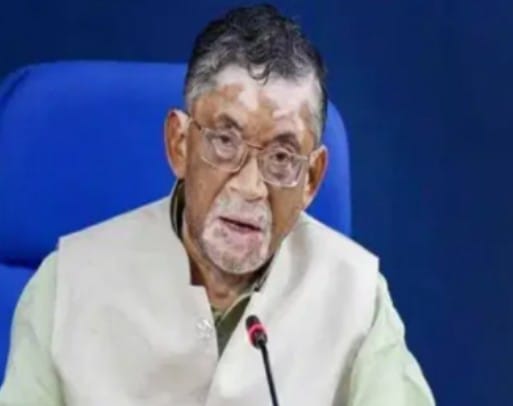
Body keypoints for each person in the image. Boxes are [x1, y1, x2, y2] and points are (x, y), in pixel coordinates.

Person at [0, 5, 434, 405]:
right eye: (225, 142)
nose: (250, 187)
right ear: (180, 144)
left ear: (312, 179)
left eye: (282, 157)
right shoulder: (67, 283)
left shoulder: (358, 299)